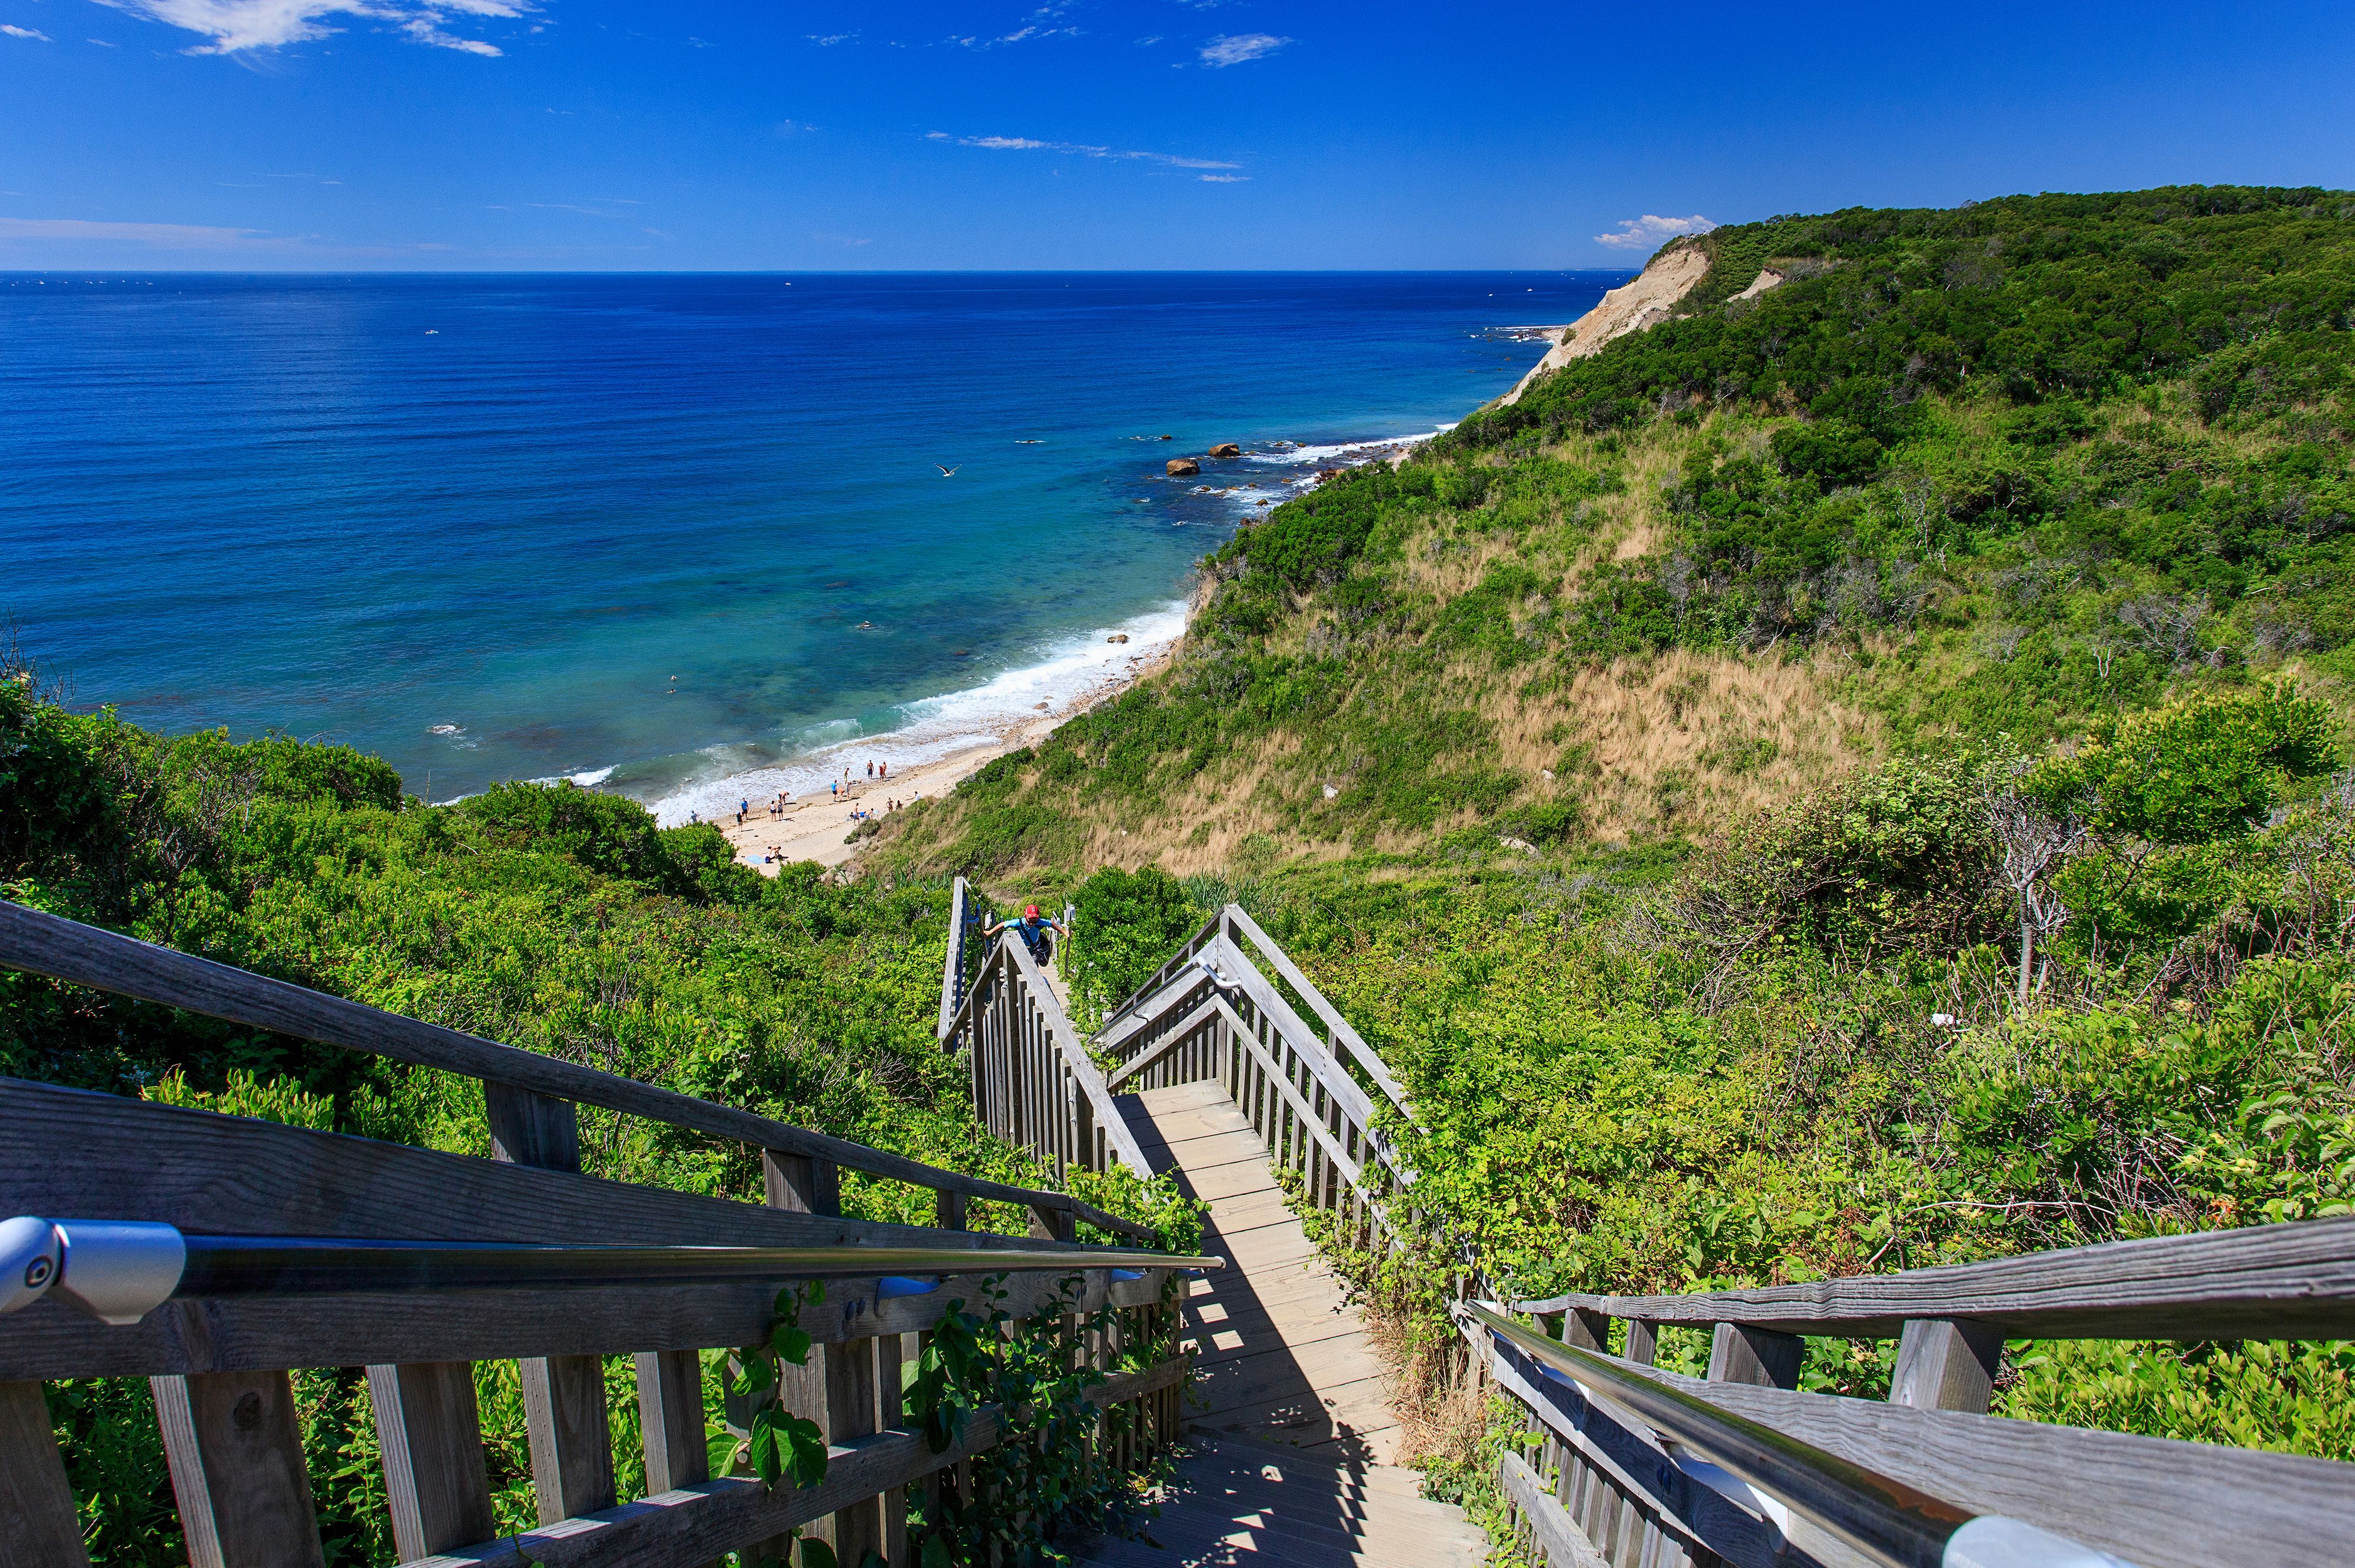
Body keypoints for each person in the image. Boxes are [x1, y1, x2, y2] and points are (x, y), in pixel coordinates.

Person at [984, 903, 1065, 966]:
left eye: (1035, 920)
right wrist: (990, 932)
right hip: (1021, 949)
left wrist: (1064, 932)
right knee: (1020, 967)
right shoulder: (1019, 923)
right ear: (1025, 917)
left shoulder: (1040, 922)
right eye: (1030, 920)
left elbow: (1051, 924)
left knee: (1033, 967)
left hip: (1034, 949)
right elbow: (1003, 924)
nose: (1032, 923)